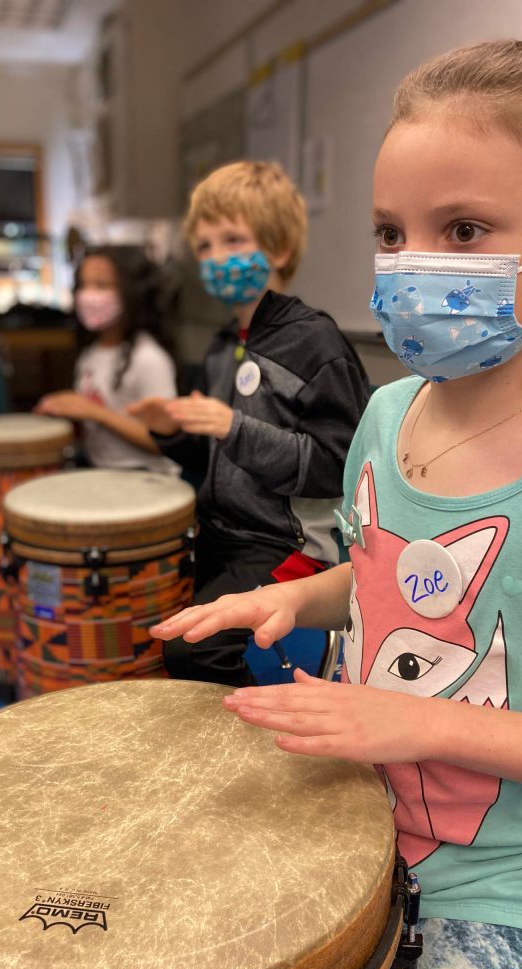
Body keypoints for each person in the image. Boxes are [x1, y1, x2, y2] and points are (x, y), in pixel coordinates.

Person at [150, 30, 522, 969]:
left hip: (508, 897)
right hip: (357, 810)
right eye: (393, 234)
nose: (415, 262)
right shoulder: (391, 418)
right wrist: (290, 596)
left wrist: (418, 720)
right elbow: (383, 574)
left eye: (466, 229)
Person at [130, 160, 370, 686]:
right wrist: (169, 431)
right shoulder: (222, 346)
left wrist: (232, 427)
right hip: (222, 529)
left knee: (194, 650)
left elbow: (339, 467)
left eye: (233, 240)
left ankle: (246, 756)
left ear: (279, 249)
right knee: (144, 625)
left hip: (289, 546)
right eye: (206, 245)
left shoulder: (314, 342)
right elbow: (218, 462)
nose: (217, 257)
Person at [34, 245, 179, 475]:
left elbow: (163, 442)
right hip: (103, 471)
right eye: (83, 285)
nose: (89, 295)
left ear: (132, 291)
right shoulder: (90, 353)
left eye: (102, 285)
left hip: (147, 476)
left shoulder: (149, 359)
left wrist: (94, 411)